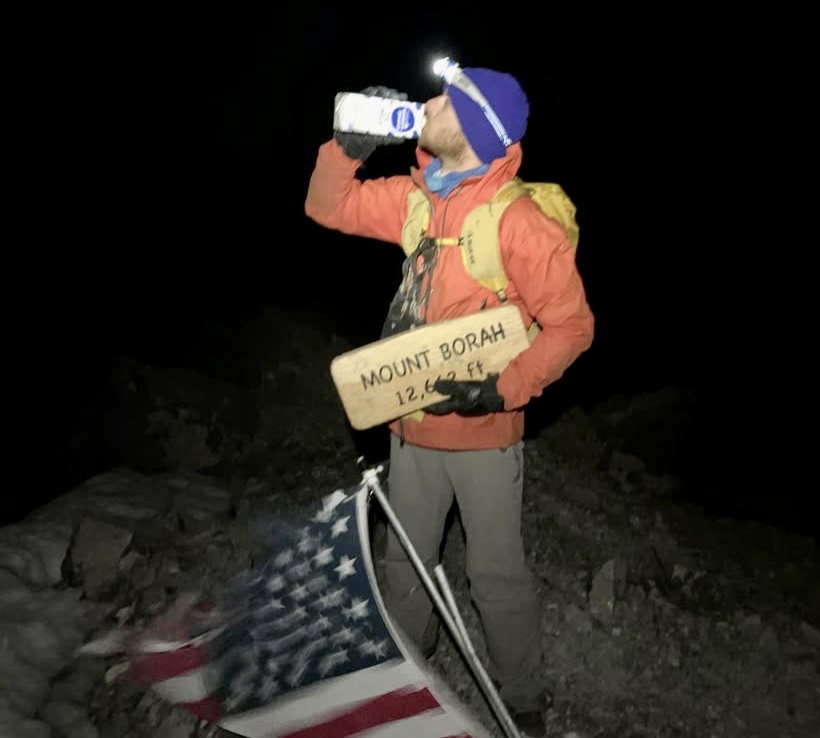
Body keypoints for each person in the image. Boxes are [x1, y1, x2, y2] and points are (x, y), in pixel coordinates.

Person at [304, 64, 594, 737]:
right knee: (405, 561)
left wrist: (504, 388)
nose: (428, 103)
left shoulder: (518, 222)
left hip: (487, 438)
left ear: (476, 127)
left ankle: (522, 696)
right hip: (409, 430)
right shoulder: (417, 201)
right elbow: (327, 207)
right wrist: (346, 149)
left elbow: (574, 326)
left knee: (494, 574)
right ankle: (406, 670)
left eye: (447, 99)